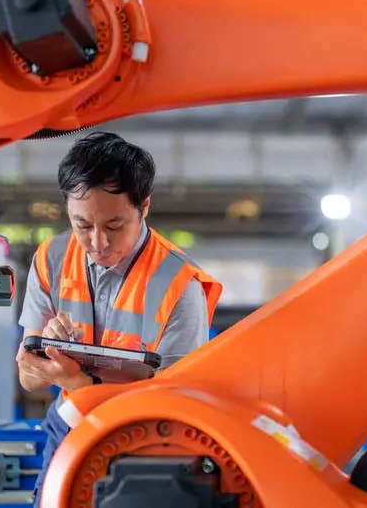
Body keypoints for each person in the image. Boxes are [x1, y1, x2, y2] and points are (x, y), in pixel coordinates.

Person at [14, 131, 223, 501]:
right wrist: (44, 356)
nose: (98, 243)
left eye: (114, 226)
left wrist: (78, 383)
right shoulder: (50, 259)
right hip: (70, 427)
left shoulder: (178, 285)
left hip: (145, 445)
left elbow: (173, 409)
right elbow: (28, 378)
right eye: (82, 225)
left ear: (144, 207)